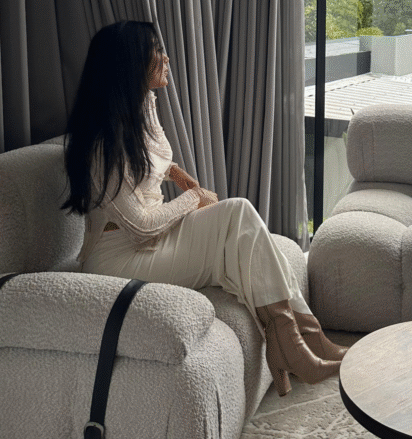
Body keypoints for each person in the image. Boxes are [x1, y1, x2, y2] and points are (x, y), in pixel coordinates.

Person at [62, 20, 346, 397]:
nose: (166, 58)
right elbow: (141, 226)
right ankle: (295, 347)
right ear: (130, 63)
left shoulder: (140, 108)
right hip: (119, 261)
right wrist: (194, 198)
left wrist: (181, 177)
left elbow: (155, 158)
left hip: (151, 242)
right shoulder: (102, 146)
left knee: (239, 216)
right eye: (156, 51)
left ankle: (305, 342)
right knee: (237, 219)